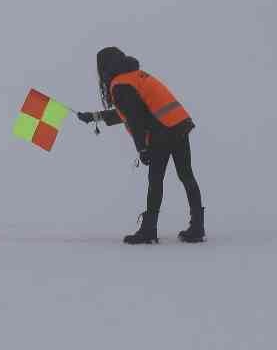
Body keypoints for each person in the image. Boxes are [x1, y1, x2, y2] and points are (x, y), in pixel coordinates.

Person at [76, 47, 206, 245]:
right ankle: (197, 227)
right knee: (186, 175)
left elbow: (135, 118)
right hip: (178, 124)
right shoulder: (135, 76)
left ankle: (149, 230)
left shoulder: (120, 85)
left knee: (155, 180)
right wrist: (95, 117)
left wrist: (142, 148)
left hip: (162, 132)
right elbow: (129, 112)